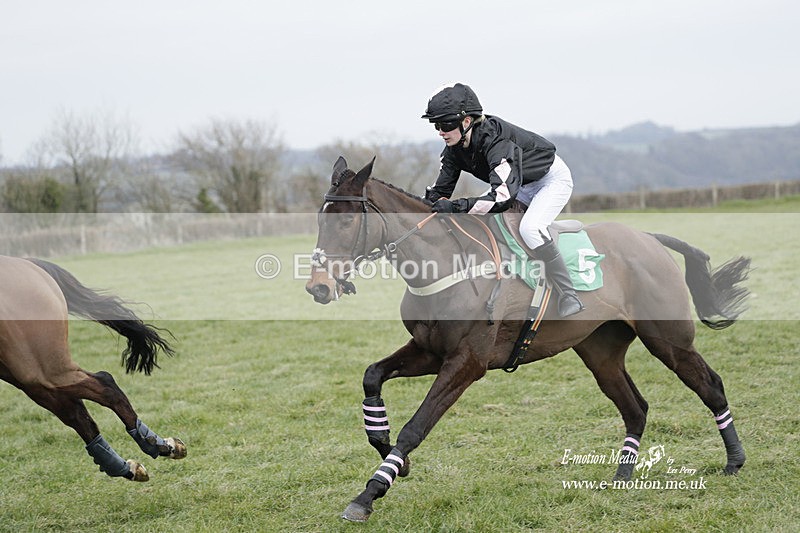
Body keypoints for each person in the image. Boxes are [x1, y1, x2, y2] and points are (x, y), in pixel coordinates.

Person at [421, 82, 583, 317]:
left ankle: (569, 294)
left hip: (549, 181)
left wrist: (455, 207)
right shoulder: (454, 148)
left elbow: (501, 198)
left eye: (445, 124)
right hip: (518, 185)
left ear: (466, 121)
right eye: (436, 125)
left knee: (531, 228)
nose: (440, 131)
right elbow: (439, 192)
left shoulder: (497, 142)